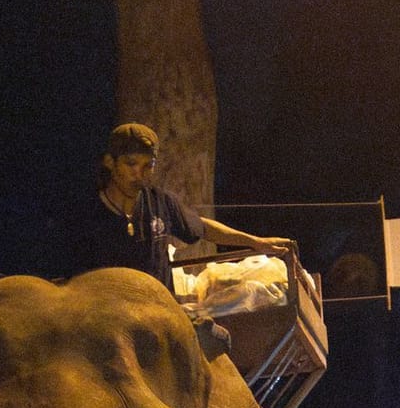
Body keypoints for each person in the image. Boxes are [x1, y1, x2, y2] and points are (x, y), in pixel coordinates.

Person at [69, 123, 292, 290]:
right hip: (112, 324)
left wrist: (257, 243)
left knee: (216, 337)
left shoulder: (160, 203)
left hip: (160, 317)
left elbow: (202, 228)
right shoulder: (88, 215)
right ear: (110, 162)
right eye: (131, 164)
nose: (139, 174)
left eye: (148, 165)